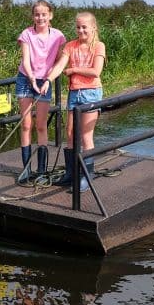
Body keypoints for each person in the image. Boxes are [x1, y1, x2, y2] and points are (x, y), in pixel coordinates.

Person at [46, 11, 106, 192]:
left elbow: (96, 71)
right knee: (71, 134)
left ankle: (86, 176)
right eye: (78, 27)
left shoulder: (99, 46)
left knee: (86, 136)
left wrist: (73, 71)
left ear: (93, 27)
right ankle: (71, 174)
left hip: (91, 93)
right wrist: (48, 80)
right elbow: (59, 66)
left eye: (84, 27)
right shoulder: (71, 46)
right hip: (74, 94)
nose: (80, 30)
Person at [15, 0, 67, 184]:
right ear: (33, 16)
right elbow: (26, 60)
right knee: (26, 125)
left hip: (44, 82)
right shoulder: (27, 34)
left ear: (50, 15)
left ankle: (42, 171)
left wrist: (48, 80)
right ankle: (26, 170)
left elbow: (61, 61)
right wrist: (31, 79)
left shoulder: (58, 36)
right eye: (37, 14)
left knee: (41, 126)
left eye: (44, 14)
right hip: (25, 79)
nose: (40, 17)